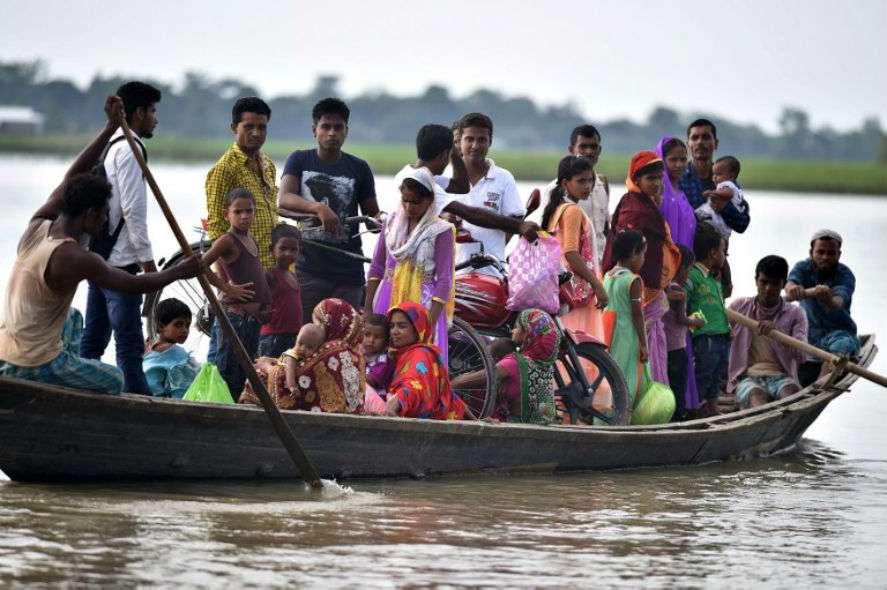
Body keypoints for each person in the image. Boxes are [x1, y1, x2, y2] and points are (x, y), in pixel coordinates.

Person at [0, 96, 200, 394]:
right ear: (90, 214)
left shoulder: (38, 225)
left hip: (7, 347)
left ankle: (64, 372)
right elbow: (132, 284)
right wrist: (180, 271)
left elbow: (72, 177)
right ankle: (53, 385)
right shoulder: (75, 257)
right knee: (115, 378)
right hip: (35, 362)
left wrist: (109, 128)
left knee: (74, 317)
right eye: (104, 214)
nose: (105, 221)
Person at [81, 81, 162, 395]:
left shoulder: (113, 144)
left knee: (93, 340)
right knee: (129, 345)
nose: (155, 118)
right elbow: (133, 210)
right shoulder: (130, 148)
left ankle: (84, 397)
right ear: (138, 113)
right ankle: (140, 405)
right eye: (152, 111)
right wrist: (148, 264)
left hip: (100, 257)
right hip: (120, 264)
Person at [278, 98, 379, 319]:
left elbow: (373, 217)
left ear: (346, 131)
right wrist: (318, 209)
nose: (332, 133)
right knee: (304, 337)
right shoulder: (300, 160)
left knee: (344, 340)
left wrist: (386, 220)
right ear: (315, 130)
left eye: (338, 127)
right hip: (308, 269)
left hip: (349, 272)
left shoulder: (359, 168)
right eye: (326, 127)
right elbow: (284, 200)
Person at [393, 123, 539, 251]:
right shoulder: (420, 182)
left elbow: (461, 187)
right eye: (450, 154)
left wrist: (455, 153)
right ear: (445, 155)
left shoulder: (412, 173)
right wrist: (520, 226)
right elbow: (471, 213)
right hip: (408, 259)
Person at [601, 150, 681, 385]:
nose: (656, 183)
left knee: (649, 342)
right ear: (637, 180)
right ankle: (645, 400)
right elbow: (629, 254)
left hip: (648, 287)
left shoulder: (640, 203)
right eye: (650, 179)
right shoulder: (635, 209)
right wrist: (649, 287)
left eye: (659, 178)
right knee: (645, 345)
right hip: (640, 290)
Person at [365, 167, 455, 362]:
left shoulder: (440, 231)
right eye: (405, 200)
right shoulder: (390, 224)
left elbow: (445, 280)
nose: (409, 207)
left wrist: (428, 321)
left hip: (422, 305)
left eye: (415, 202)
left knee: (419, 362)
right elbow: (377, 267)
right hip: (387, 298)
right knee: (382, 361)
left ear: (430, 200)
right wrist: (368, 309)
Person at [200, 188, 272, 396]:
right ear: (226, 214)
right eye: (238, 212)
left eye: (249, 211)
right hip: (235, 317)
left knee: (244, 373)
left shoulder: (250, 239)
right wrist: (227, 288)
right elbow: (201, 266)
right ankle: (220, 412)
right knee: (227, 371)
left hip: (251, 319)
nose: (244, 216)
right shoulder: (228, 240)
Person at [241, 298, 365, 413]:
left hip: (319, 421)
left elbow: (295, 378)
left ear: (330, 323)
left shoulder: (333, 350)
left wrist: (268, 367)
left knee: (259, 375)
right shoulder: (355, 353)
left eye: (319, 322)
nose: (317, 327)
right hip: (346, 419)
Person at [439, 113, 525, 277]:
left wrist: (494, 250)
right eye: (469, 139)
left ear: (490, 142)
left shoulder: (503, 178)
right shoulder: (443, 178)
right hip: (450, 274)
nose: (475, 146)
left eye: (481, 140)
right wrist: (444, 219)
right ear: (459, 142)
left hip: (491, 273)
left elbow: (515, 222)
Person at [655, 136, 702, 414]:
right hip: (667, 275)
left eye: (683, 159)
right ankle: (669, 406)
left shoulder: (681, 192)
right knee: (670, 339)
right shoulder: (661, 193)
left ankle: (685, 403)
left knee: (682, 337)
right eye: (672, 159)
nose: (679, 164)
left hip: (685, 273)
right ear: (660, 160)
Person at [206, 97, 279, 269]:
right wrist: (227, 283)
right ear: (234, 127)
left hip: (272, 265)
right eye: (249, 127)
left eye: (262, 127)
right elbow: (217, 229)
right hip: (244, 269)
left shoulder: (268, 164)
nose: (256, 133)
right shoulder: (225, 168)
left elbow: (271, 212)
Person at [541, 156, 608, 339]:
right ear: (565, 183)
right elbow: (570, 253)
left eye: (590, 180)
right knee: (583, 356)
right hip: (576, 295)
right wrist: (596, 284)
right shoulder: (572, 211)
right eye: (581, 181)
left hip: (563, 293)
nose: (587, 186)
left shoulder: (557, 209)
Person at [728, 256, 808, 408]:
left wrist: (778, 332)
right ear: (756, 281)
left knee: (791, 395)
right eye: (764, 282)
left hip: (782, 377)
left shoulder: (796, 314)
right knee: (756, 395)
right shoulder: (739, 307)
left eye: (775, 283)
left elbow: (802, 356)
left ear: (783, 284)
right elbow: (720, 334)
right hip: (747, 379)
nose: (768, 289)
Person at [785, 230, 859, 376]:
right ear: (811, 252)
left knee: (842, 345)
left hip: (838, 333)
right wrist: (793, 289)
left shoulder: (845, 275)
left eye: (831, 253)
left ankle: (821, 383)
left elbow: (837, 303)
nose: (825, 257)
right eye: (820, 252)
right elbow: (790, 284)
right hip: (807, 334)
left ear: (839, 255)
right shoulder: (802, 267)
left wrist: (827, 298)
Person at [534, 124, 611, 264]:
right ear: (571, 150)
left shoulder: (602, 185)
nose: (589, 151)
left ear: (599, 150)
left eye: (593, 147)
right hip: (573, 269)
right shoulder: (556, 188)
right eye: (583, 146)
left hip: (600, 267)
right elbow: (545, 231)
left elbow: (604, 229)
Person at [384, 301, 465, 420]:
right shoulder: (398, 353)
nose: (394, 332)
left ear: (418, 328)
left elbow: (414, 384)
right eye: (392, 326)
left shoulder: (420, 354)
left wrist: (396, 402)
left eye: (402, 326)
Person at [686, 223, 730, 415]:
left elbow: (719, 307)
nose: (725, 256)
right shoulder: (694, 275)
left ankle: (712, 406)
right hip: (706, 336)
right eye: (723, 252)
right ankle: (697, 409)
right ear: (713, 253)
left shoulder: (713, 277)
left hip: (721, 334)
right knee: (704, 373)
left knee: (717, 375)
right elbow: (684, 295)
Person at [602, 230, 648, 409]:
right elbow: (637, 314)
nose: (644, 259)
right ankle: (625, 412)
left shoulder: (607, 276)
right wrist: (644, 343)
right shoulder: (633, 280)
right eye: (643, 254)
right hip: (627, 332)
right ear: (633, 253)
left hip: (608, 331)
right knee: (627, 372)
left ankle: (608, 413)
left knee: (610, 372)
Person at [679, 119, 750, 233]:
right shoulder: (678, 178)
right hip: (685, 248)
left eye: (706, 137)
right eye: (695, 138)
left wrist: (724, 207)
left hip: (718, 249)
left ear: (716, 143)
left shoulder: (729, 181)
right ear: (688, 145)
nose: (700, 142)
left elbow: (742, 224)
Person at [663, 245, 706, 419]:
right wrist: (696, 322)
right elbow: (682, 319)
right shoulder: (678, 291)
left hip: (663, 347)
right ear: (681, 268)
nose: (688, 274)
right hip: (676, 349)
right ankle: (677, 418)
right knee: (677, 387)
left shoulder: (664, 289)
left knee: (667, 385)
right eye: (688, 269)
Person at [257, 224, 303, 359]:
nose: (288, 253)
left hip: (293, 337)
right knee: (270, 375)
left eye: (293, 249)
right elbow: (259, 305)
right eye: (283, 248)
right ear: (272, 249)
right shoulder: (270, 276)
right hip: (272, 337)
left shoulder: (294, 276)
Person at [143, 298, 200, 398]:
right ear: (161, 326)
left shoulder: (144, 347)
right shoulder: (181, 356)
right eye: (178, 325)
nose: (184, 330)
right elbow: (181, 395)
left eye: (187, 325)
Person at [696, 156, 748, 241]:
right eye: (714, 174)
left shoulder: (727, 184)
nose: (715, 177)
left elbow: (728, 193)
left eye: (719, 174)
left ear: (731, 176)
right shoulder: (727, 184)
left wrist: (712, 193)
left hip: (721, 223)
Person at [363, 313, 394, 395]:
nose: (371, 340)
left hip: (377, 400)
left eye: (377, 337)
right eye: (367, 335)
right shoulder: (362, 353)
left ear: (386, 341)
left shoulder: (384, 361)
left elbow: (370, 381)